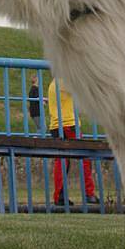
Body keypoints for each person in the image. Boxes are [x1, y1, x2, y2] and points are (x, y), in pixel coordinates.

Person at [47, 78, 98, 206]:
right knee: (85, 157)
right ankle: (89, 193)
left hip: (55, 125)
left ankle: (59, 195)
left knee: (62, 159)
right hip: (69, 124)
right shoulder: (64, 80)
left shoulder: (53, 84)